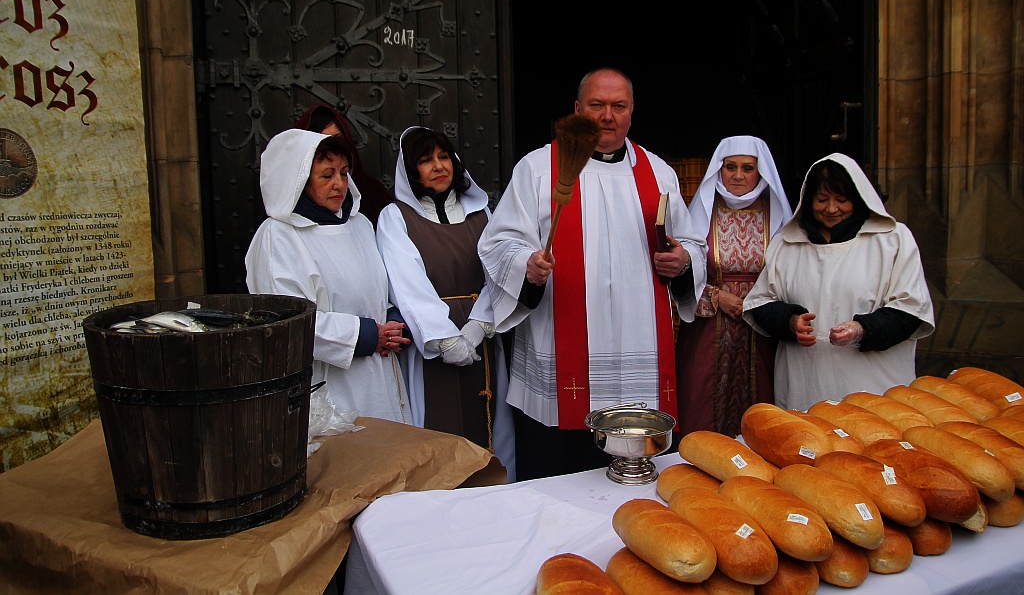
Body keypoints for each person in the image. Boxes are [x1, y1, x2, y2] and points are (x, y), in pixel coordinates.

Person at [478, 68, 708, 480]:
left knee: (630, 485)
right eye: (597, 105)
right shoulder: (538, 168)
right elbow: (499, 243)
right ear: (578, 110)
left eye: (618, 106)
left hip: (638, 343)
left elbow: (690, 242)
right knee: (558, 478)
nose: (607, 116)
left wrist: (683, 262)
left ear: (631, 113)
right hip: (561, 348)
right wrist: (526, 265)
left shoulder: (658, 173)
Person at [743, 153, 935, 412]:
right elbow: (760, 302)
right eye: (822, 200)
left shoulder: (892, 240)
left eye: (841, 200)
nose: (831, 209)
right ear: (808, 201)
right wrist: (790, 321)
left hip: (873, 386)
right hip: (805, 385)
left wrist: (862, 329)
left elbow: (911, 310)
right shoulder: (787, 244)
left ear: (857, 199)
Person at [376, 126, 516, 480]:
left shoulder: (482, 215)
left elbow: (497, 275)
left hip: (481, 337)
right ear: (411, 171)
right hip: (432, 345)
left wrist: (476, 328)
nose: (438, 166)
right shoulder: (396, 218)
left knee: (489, 429)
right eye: (426, 160)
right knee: (435, 428)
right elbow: (405, 282)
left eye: (443, 157)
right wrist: (445, 338)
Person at [245, 128, 412, 423]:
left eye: (344, 173)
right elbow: (288, 320)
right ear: (298, 182)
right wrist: (366, 335)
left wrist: (392, 321)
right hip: (329, 385)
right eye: (327, 175)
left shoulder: (359, 224)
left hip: (380, 374)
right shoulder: (279, 237)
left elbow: (375, 291)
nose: (339, 184)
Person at [675, 136, 793, 437]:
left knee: (760, 408)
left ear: (760, 172)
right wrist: (716, 297)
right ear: (719, 169)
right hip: (708, 328)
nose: (738, 175)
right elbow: (681, 272)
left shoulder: (776, 215)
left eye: (747, 168)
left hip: (761, 328)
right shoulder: (702, 211)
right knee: (700, 403)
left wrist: (762, 302)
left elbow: (792, 272)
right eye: (730, 167)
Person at [296, 104, 392, 227]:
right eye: (323, 141)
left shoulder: (372, 196)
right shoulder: (282, 227)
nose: (339, 184)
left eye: (343, 174)